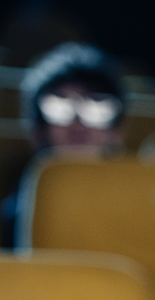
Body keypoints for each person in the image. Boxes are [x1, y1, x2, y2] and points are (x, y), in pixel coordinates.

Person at [2, 42, 125, 248]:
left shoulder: (142, 200)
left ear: (117, 131)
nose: (77, 123)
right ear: (37, 130)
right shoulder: (13, 211)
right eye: (60, 106)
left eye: (96, 105)